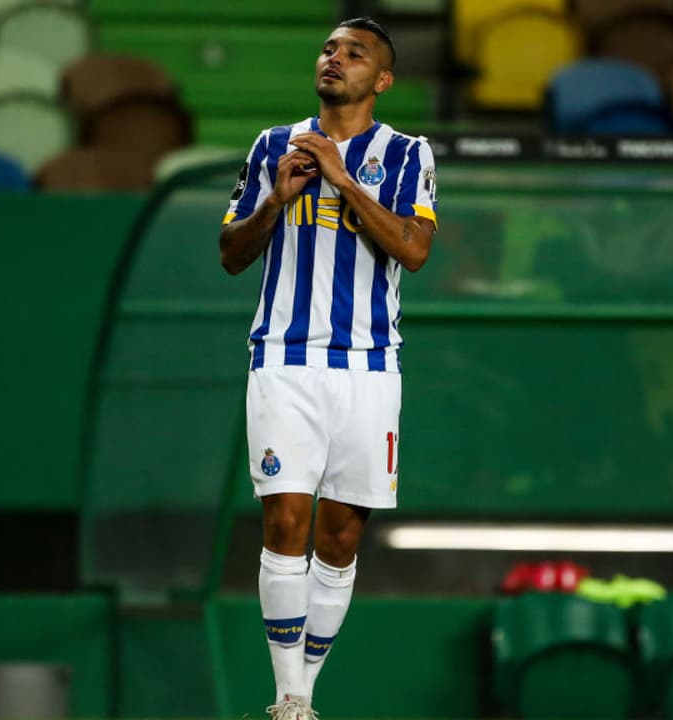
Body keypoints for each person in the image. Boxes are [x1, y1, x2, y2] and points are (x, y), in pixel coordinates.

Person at [217, 17, 437, 720]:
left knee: (340, 536)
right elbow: (231, 253)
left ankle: (304, 694)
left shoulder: (407, 153)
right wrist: (276, 201)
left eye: (354, 53)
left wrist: (342, 181)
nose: (334, 58)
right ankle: (289, 701)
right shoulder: (272, 145)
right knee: (285, 517)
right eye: (329, 49)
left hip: (370, 365)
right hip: (283, 356)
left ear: (383, 79)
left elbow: (414, 250)